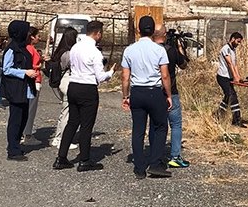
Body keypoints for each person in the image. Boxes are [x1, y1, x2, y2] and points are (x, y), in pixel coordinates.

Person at [54, 21, 113, 172]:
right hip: (87, 88)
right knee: (86, 125)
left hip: (73, 85)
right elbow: (100, 77)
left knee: (72, 122)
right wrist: (110, 73)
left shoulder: (75, 47)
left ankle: (61, 157)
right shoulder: (95, 52)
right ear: (98, 33)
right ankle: (84, 159)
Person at [120, 16, 173, 178]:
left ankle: (139, 167)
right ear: (153, 32)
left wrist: (125, 95)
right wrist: (169, 95)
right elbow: (164, 76)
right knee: (160, 126)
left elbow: (125, 77)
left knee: (138, 129)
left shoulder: (129, 50)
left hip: (137, 92)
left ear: (138, 30)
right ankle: (156, 163)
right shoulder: (159, 50)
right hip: (154, 91)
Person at [0, 20, 38, 161]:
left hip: (25, 88)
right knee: (15, 120)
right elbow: (6, 69)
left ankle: (16, 144)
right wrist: (24, 72)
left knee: (23, 118)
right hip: (16, 88)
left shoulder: (22, 47)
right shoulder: (11, 49)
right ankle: (13, 150)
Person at [161, 29, 191, 169]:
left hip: (154, 93)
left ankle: (157, 155)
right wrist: (180, 47)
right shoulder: (171, 51)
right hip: (171, 92)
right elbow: (184, 64)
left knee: (158, 126)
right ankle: (175, 156)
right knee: (176, 125)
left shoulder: (151, 50)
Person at [47, 26, 79, 151]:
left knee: (64, 111)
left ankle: (58, 137)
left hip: (61, 82)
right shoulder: (69, 53)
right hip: (67, 81)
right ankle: (63, 140)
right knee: (68, 112)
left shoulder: (59, 51)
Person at [216, 32, 246, 128]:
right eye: (238, 41)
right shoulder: (226, 49)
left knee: (228, 96)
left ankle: (219, 115)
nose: (238, 44)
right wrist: (235, 77)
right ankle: (236, 120)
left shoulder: (233, 50)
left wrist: (238, 77)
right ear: (233, 39)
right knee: (232, 96)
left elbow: (235, 64)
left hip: (229, 77)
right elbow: (229, 64)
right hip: (222, 77)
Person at [22, 29, 43, 143]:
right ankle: (27, 134)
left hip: (33, 79)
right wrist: (39, 64)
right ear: (32, 37)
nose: (39, 38)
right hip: (34, 79)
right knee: (31, 109)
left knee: (28, 107)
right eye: (37, 36)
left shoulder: (29, 48)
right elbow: (31, 64)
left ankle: (24, 133)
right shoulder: (30, 48)